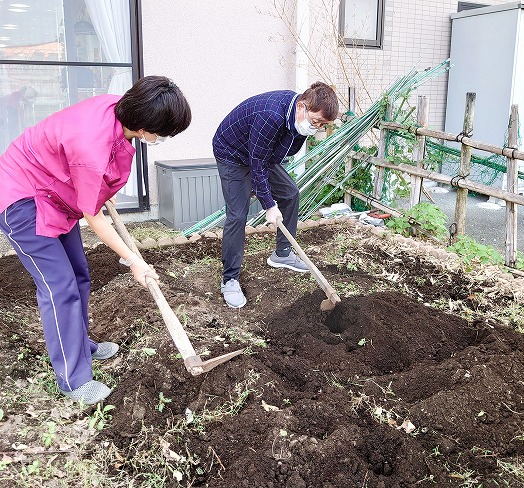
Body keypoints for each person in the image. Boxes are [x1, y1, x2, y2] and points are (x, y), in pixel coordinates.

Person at [0, 76, 191, 405]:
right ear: (145, 126)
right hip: (22, 198)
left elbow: (87, 168)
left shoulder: (119, 109)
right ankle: (73, 380)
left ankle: (81, 343)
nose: (163, 138)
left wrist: (99, 189)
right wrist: (135, 260)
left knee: (79, 274)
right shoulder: (92, 145)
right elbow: (94, 219)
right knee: (59, 286)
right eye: (163, 132)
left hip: (55, 191)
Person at [212, 82, 339, 309]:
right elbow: (256, 163)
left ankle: (282, 254)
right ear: (302, 106)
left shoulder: (300, 124)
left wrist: (262, 189)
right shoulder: (270, 115)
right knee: (237, 214)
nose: (316, 127)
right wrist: (268, 204)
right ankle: (230, 279)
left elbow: (270, 159)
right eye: (316, 122)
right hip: (232, 152)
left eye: (322, 125)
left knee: (290, 193)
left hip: (261, 155)